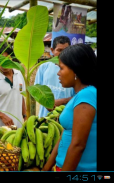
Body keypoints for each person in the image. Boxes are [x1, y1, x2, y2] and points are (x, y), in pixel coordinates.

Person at [42, 43, 97, 171]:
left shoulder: (87, 95)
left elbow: (78, 145)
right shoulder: (81, 95)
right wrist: (47, 167)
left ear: (76, 71)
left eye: (61, 68)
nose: (58, 74)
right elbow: (66, 133)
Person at [0, 42, 27, 128]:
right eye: (0, 59)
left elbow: (21, 96)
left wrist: (25, 116)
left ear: (12, 58)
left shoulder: (19, 74)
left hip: (16, 128)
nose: (4, 62)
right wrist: (1, 115)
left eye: (7, 58)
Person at [34, 36, 75, 118]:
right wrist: (46, 103)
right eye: (59, 50)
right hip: (44, 118)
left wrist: (63, 101)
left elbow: (80, 95)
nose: (63, 53)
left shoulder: (74, 69)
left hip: (66, 117)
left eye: (66, 50)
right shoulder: (43, 67)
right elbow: (36, 90)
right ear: (52, 51)